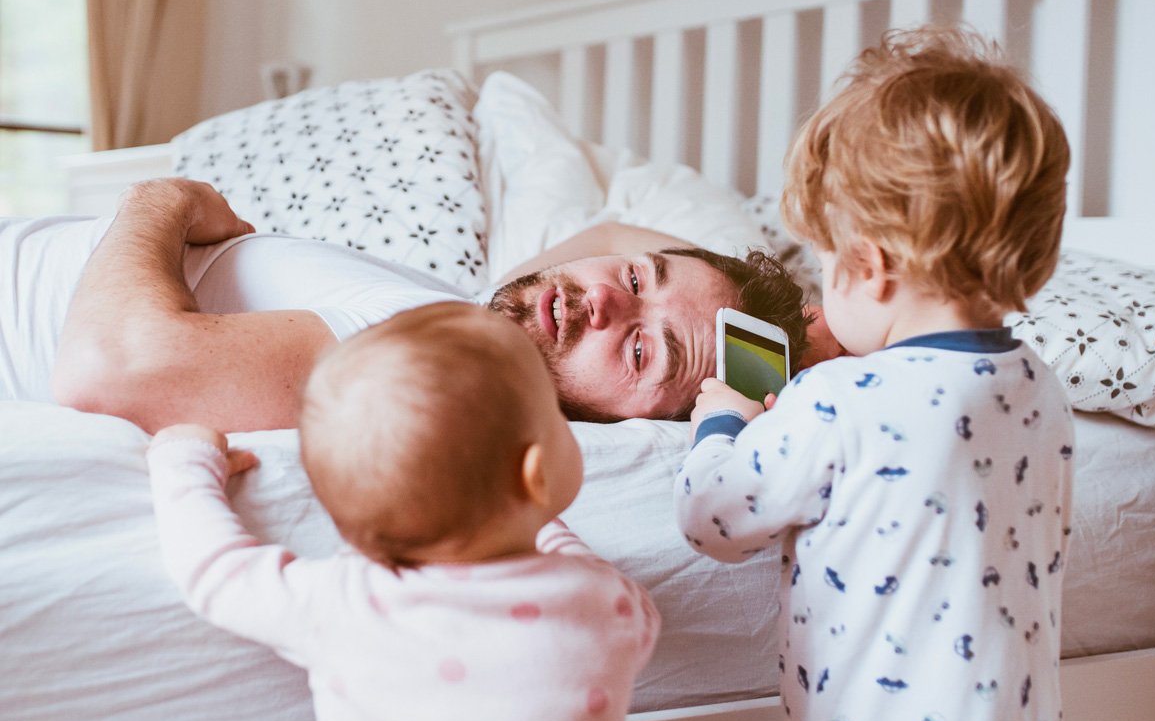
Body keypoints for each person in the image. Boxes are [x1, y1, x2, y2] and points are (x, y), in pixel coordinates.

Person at [673, 27, 1075, 721]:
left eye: (822, 263)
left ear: (873, 264)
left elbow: (714, 515)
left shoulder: (840, 396)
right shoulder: (1039, 390)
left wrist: (724, 421)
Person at [146, 300, 660, 721]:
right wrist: (536, 525)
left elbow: (215, 571)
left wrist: (184, 459)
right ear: (535, 476)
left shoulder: (344, 603)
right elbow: (627, 612)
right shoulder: (602, 606)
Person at [0, 177, 819, 432]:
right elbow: (609, 229)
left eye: (643, 353)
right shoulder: (480, 307)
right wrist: (817, 334)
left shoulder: (439, 355)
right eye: (637, 279)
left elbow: (107, 373)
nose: (601, 298)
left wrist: (161, 202)